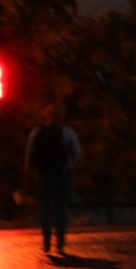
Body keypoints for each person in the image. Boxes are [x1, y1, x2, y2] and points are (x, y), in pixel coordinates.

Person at [24, 103, 82, 256]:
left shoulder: (37, 132)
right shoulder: (68, 133)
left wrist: (27, 176)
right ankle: (61, 243)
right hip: (63, 173)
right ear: (62, 116)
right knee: (61, 207)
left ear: (46, 116)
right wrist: (70, 167)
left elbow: (29, 156)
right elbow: (76, 153)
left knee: (46, 208)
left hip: (43, 174)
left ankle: (46, 242)